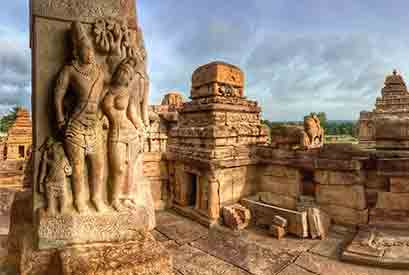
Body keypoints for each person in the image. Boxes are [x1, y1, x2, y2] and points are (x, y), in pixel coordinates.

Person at [54, 21, 107, 213]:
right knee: (77, 167)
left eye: (91, 50)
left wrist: (105, 115)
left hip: (94, 126)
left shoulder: (99, 72)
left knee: (98, 165)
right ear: (77, 51)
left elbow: (105, 94)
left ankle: (97, 198)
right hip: (75, 124)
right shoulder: (69, 70)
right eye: (86, 49)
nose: (90, 53)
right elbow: (58, 95)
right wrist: (60, 119)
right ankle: (79, 200)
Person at [102, 58, 146, 211]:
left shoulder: (128, 92)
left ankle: (126, 197)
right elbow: (100, 111)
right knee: (118, 168)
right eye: (122, 71)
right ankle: (113, 199)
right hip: (115, 133)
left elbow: (132, 113)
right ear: (117, 72)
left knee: (130, 168)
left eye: (127, 73)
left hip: (130, 133)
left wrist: (141, 129)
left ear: (129, 78)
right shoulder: (106, 90)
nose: (124, 74)